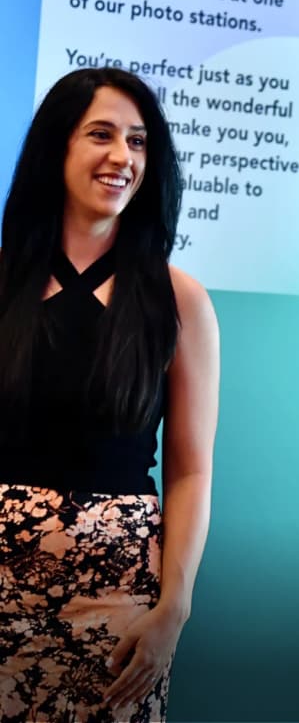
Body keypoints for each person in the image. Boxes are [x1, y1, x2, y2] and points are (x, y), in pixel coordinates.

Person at [0, 67, 219, 722]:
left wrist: (172, 611)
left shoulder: (178, 298)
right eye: (102, 134)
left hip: (119, 612)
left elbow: (191, 470)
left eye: (139, 141)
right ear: (56, 148)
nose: (122, 157)